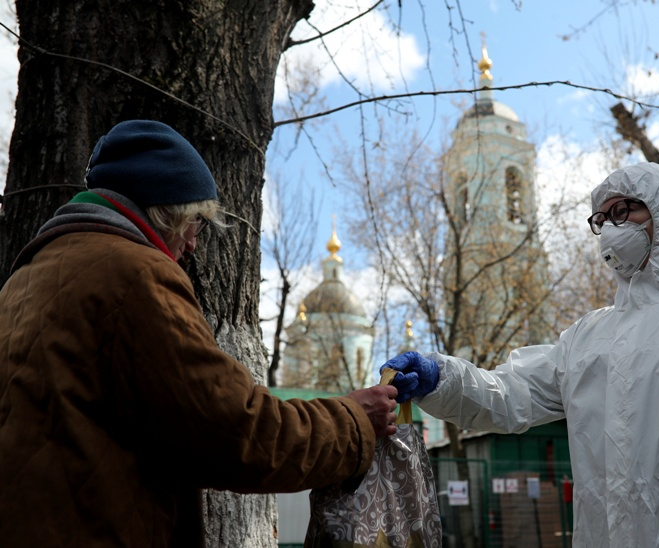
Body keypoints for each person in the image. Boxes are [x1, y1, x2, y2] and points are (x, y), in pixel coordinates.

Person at [0, 120, 398, 547]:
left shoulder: (21, 281)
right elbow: (237, 431)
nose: (192, 244)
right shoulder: (136, 274)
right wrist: (355, 422)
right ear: (163, 211)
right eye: (194, 223)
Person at [383, 162, 659, 547]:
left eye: (624, 211)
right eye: (602, 219)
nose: (611, 228)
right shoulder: (589, 336)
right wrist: (442, 377)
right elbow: (509, 395)